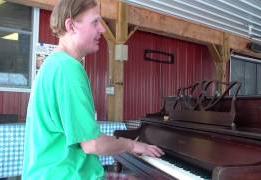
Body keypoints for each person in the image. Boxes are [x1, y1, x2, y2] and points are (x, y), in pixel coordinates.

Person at [22, 0, 164, 179]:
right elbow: (93, 145)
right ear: (71, 25)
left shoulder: (53, 64)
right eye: (95, 22)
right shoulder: (68, 69)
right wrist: (132, 145)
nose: (102, 29)